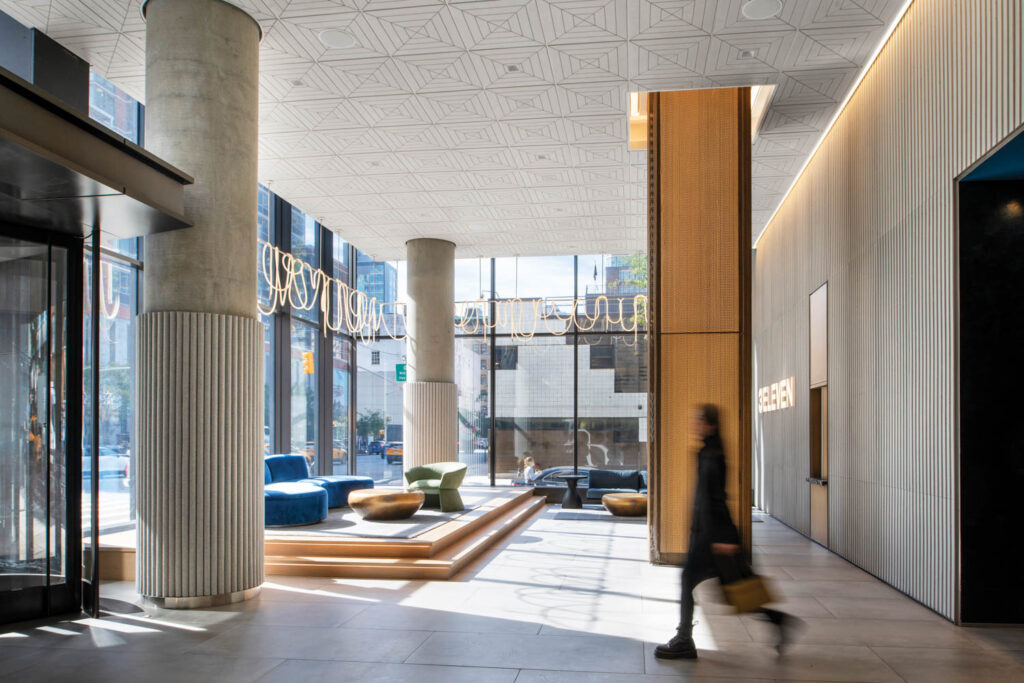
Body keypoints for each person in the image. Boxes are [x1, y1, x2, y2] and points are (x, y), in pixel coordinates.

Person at [655, 404, 796, 660]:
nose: (694, 425)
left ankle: (684, 639)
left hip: (711, 537)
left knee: (689, 580)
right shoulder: (706, 451)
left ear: (709, 424)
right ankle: (778, 620)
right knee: (734, 589)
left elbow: (718, 499)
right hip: (706, 534)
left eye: (698, 421)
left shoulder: (713, 455)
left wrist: (724, 538)